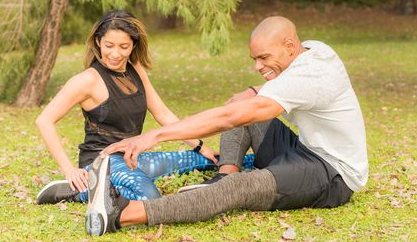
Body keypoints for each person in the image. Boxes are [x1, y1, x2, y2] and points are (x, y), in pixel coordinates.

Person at [84, 16, 368, 236]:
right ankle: (224, 174)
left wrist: (155, 135)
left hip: (332, 173)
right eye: (254, 59)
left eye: (264, 58)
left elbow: (230, 119)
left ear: (290, 46)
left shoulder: (315, 75)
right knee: (239, 107)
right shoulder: (315, 49)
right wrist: (254, 90)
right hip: (302, 149)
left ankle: (120, 215)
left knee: (240, 182)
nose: (258, 66)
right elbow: (276, 92)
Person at [35, 9, 254, 205]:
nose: (115, 54)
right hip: (103, 163)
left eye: (124, 47)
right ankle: (79, 190)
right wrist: (69, 170)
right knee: (150, 198)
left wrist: (200, 146)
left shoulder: (134, 70)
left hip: (135, 157)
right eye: (109, 45)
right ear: (99, 42)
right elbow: (44, 120)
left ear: (134, 45)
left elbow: (161, 112)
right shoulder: (87, 80)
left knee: (223, 161)